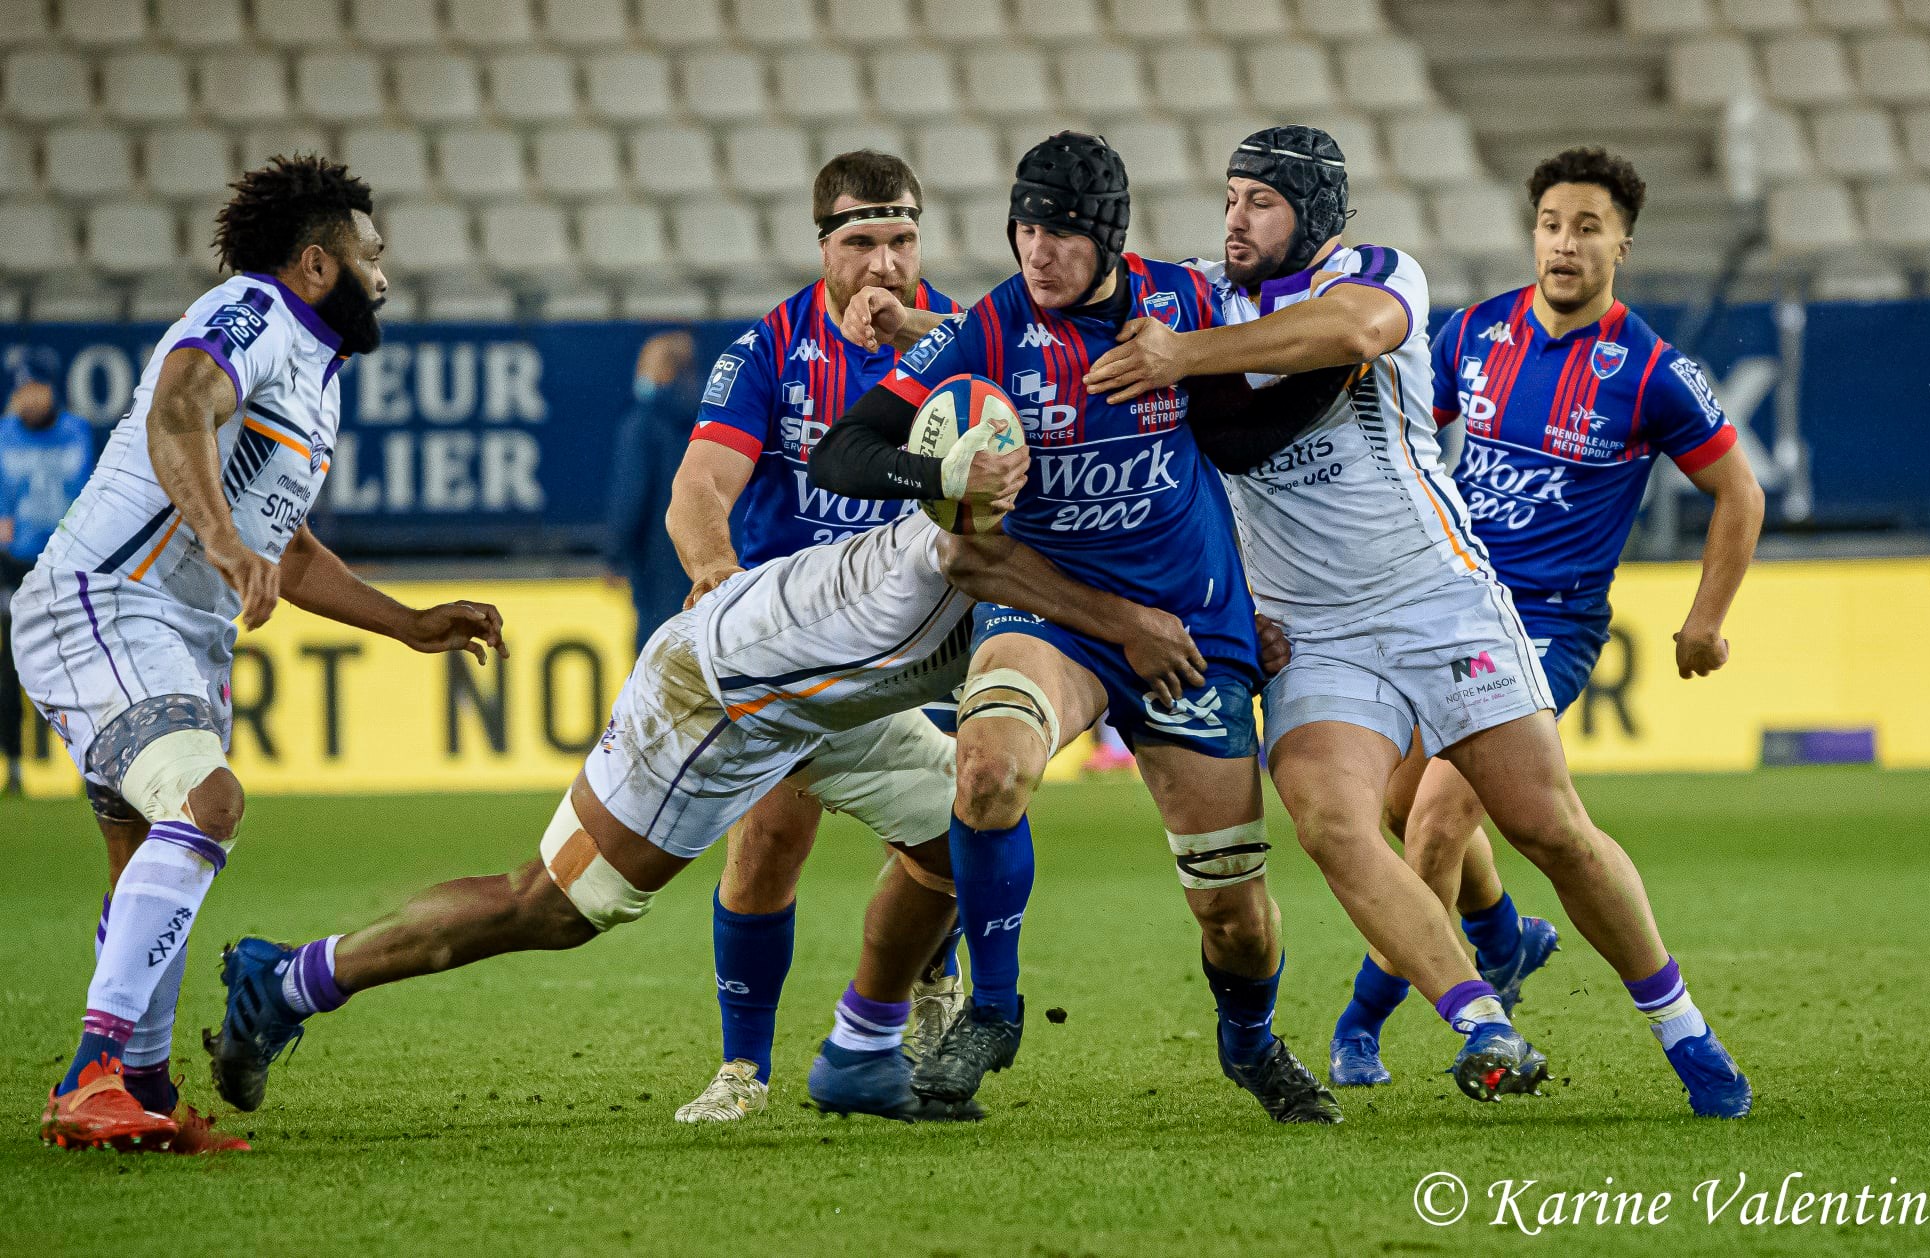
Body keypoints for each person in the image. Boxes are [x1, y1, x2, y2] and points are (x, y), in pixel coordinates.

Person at [1083, 125, 1753, 1118]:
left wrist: (1183, 356)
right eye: (1229, 198)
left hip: (1436, 597)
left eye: (1259, 201)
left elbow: (1351, 331)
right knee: (1332, 821)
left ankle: (1680, 1023)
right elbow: (1065, 303)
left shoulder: (1380, 272)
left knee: (1549, 827)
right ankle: (1479, 1017)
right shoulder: (1193, 294)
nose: (1235, 219)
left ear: (1311, 213)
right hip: (1309, 631)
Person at [203, 472, 1217, 1126]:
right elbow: (966, 554)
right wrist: (1127, 621)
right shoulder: (979, 518)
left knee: (967, 835)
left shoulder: (1075, 535)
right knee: (554, 907)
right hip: (721, 694)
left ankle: (861, 1049)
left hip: (827, 701)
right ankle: (286, 981)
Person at [811, 132, 1341, 1125]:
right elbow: (843, 450)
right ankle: (994, 1011)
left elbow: (1231, 434)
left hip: (1189, 627)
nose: (1035, 251)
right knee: (985, 768)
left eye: (1057, 231)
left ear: (1106, 236)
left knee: (1234, 915)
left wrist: (1333, 376)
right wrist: (942, 478)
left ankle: (1249, 1041)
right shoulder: (990, 330)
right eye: (1022, 228)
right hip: (1051, 612)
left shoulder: (1180, 306)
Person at [16, 155, 508, 1153]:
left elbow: (283, 538)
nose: (386, 277)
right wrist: (223, 544)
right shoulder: (249, 308)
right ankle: (92, 1075)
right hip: (106, 602)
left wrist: (406, 622)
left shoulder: (313, 376)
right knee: (209, 805)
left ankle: (143, 1089)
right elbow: (179, 410)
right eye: (372, 258)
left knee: (144, 858)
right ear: (319, 264)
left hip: (179, 630)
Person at [1323, 146, 1765, 1087]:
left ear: (1622, 245)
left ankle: (1365, 1021)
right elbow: (1400, 436)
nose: (1564, 244)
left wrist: (1704, 620)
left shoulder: (1650, 370)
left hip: (1546, 628)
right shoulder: (1475, 332)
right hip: (1442, 605)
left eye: (1587, 228)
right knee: (1400, 806)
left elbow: (1739, 493)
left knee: (1437, 819)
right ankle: (1499, 938)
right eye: (1551, 225)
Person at [661, 151, 968, 1123]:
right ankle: (744, 1068)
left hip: (923, 624)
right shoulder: (770, 350)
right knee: (768, 839)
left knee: (952, 828)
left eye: (900, 239)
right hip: (804, 632)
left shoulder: (963, 336)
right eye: (860, 242)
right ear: (823, 245)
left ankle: (927, 988)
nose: (883, 261)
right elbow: (701, 484)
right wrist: (712, 563)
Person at [0, 349, 95, 795]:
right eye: (21, 389)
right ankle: (14, 766)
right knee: (9, 669)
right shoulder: (4, 435)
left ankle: (92, 763)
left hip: (63, 566)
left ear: (52, 387)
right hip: (14, 566)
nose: (27, 397)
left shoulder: (77, 432)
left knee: (80, 669)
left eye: (34, 387)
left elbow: (90, 496)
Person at [603, 331, 698, 650]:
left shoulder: (641, 425)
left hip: (657, 568)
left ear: (664, 372)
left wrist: (614, 556)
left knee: (657, 667)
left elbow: (630, 498)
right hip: (708, 567)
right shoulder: (713, 421)